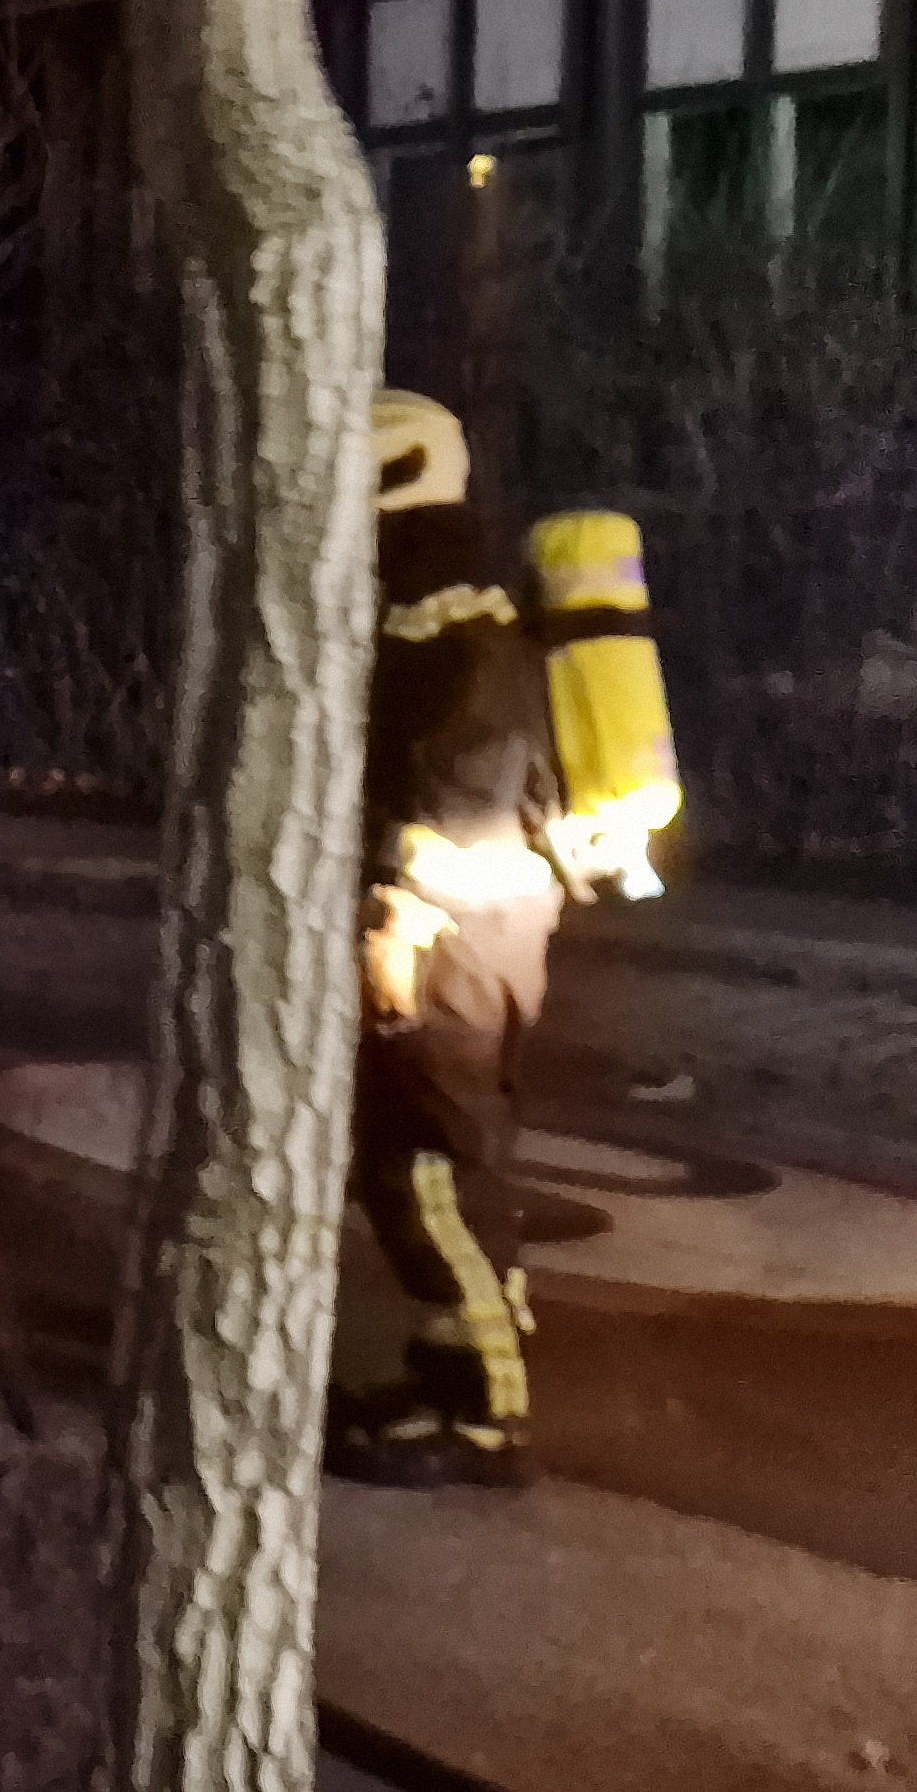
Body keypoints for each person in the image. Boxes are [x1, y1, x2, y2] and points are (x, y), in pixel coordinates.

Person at [330, 391, 568, 1490]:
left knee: (426, 1164)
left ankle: (484, 1411)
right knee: (448, 1158)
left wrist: (397, 919)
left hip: (448, 937)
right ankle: (446, 1366)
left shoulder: (445, 617)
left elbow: (457, 787)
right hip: (477, 931)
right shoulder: (454, 602)